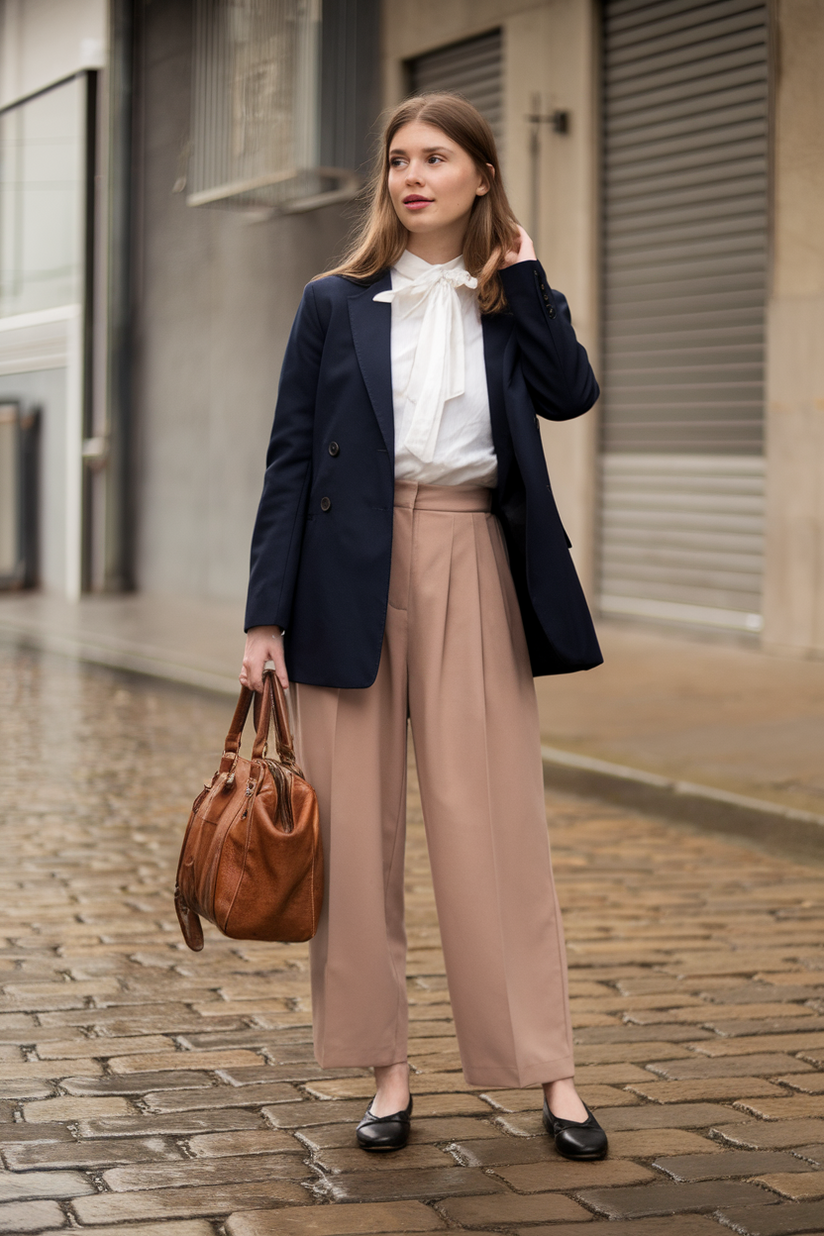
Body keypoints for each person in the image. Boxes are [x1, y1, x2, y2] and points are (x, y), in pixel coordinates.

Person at [240, 92, 607, 1162]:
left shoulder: (507, 297)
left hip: (470, 558)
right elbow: (288, 460)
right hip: (341, 577)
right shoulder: (331, 301)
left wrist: (527, 279)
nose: (411, 174)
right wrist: (264, 616)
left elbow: (569, 394)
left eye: (435, 157)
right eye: (397, 158)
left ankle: (549, 1069)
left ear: (479, 177)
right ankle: (384, 1069)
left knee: (494, 826)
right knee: (349, 837)